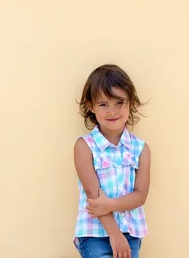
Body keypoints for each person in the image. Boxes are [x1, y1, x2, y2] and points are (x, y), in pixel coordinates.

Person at [73, 64, 151, 258]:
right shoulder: (85, 146)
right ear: (90, 106)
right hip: (94, 233)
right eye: (103, 104)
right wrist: (114, 234)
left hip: (130, 233)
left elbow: (140, 195)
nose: (112, 111)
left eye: (119, 103)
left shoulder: (140, 149)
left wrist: (112, 205)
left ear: (131, 103)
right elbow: (94, 197)